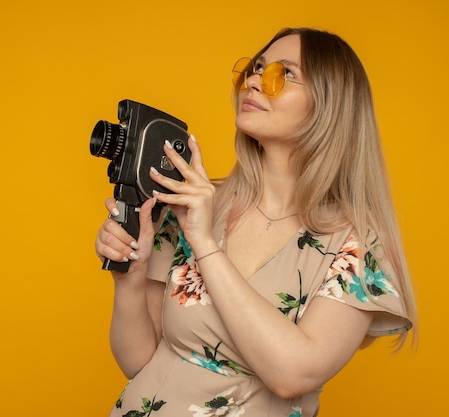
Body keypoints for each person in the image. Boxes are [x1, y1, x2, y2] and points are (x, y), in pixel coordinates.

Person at [94, 27, 417, 417]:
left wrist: (205, 245)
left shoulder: (358, 245)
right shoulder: (192, 204)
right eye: (256, 68)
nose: (254, 82)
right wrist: (130, 276)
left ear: (330, 105)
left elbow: (294, 375)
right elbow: (142, 363)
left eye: (285, 74)